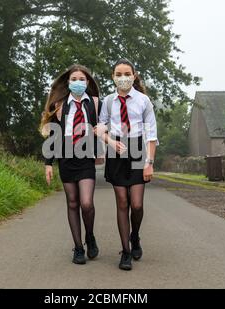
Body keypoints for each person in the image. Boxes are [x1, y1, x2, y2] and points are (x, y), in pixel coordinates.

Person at [96, 59, 158, 271]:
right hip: (116, 151)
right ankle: (126, 251)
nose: (123, 78)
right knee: (122, 202)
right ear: (113, 76)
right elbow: (100, 127)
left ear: (134, 75)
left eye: (126, 73)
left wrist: (149, 163)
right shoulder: (108, 101)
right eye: (118, 74)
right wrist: (111, 141)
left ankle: (135, 236)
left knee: (137, 204)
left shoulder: (143, 101)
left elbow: (152, 135)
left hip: (139, 150)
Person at [40, 64, 102, 265]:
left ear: (87, 82)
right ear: (68, 82)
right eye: (74, 79)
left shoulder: (93, 102)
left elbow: (102, 126)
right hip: (66, 158)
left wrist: (101, 143)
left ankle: (90, 236)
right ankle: (78, 247)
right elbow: (52, 135)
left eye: (81, 79)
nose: (78, 82)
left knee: (86, 203)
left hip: (85, 158)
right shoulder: (59, 106)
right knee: (73, 203)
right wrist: (48, 164)